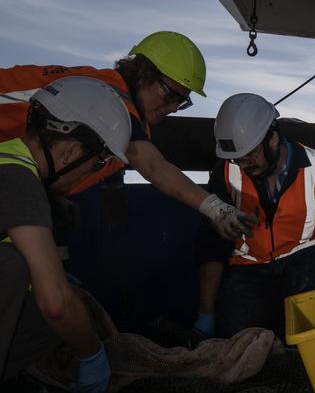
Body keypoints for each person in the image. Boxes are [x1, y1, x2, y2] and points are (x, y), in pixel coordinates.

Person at [0, 32, 257, 241]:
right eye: (170, 96)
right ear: (142, 74)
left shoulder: (110, 108)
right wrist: (217, 209)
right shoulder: (110, 98)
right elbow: (154, 167)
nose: (173, 108)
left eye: (182, 103)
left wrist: (51, 198)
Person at [193, 93, 315, 339]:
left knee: (314, 331)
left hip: (307, 260)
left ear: (272, 138)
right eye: (237, 159)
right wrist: (206, 315)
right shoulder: (224, 173)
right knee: (238, 341)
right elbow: (210, 244)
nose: (243, 165)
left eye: (250, 155)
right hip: (249, 270)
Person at [0, 77, 133, 393]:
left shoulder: (8, 158)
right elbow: (56, 304)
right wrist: (92, 355)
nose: (93, 172)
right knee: (19, 271)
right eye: (98, 162)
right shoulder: (18, 179)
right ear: (71, 150)